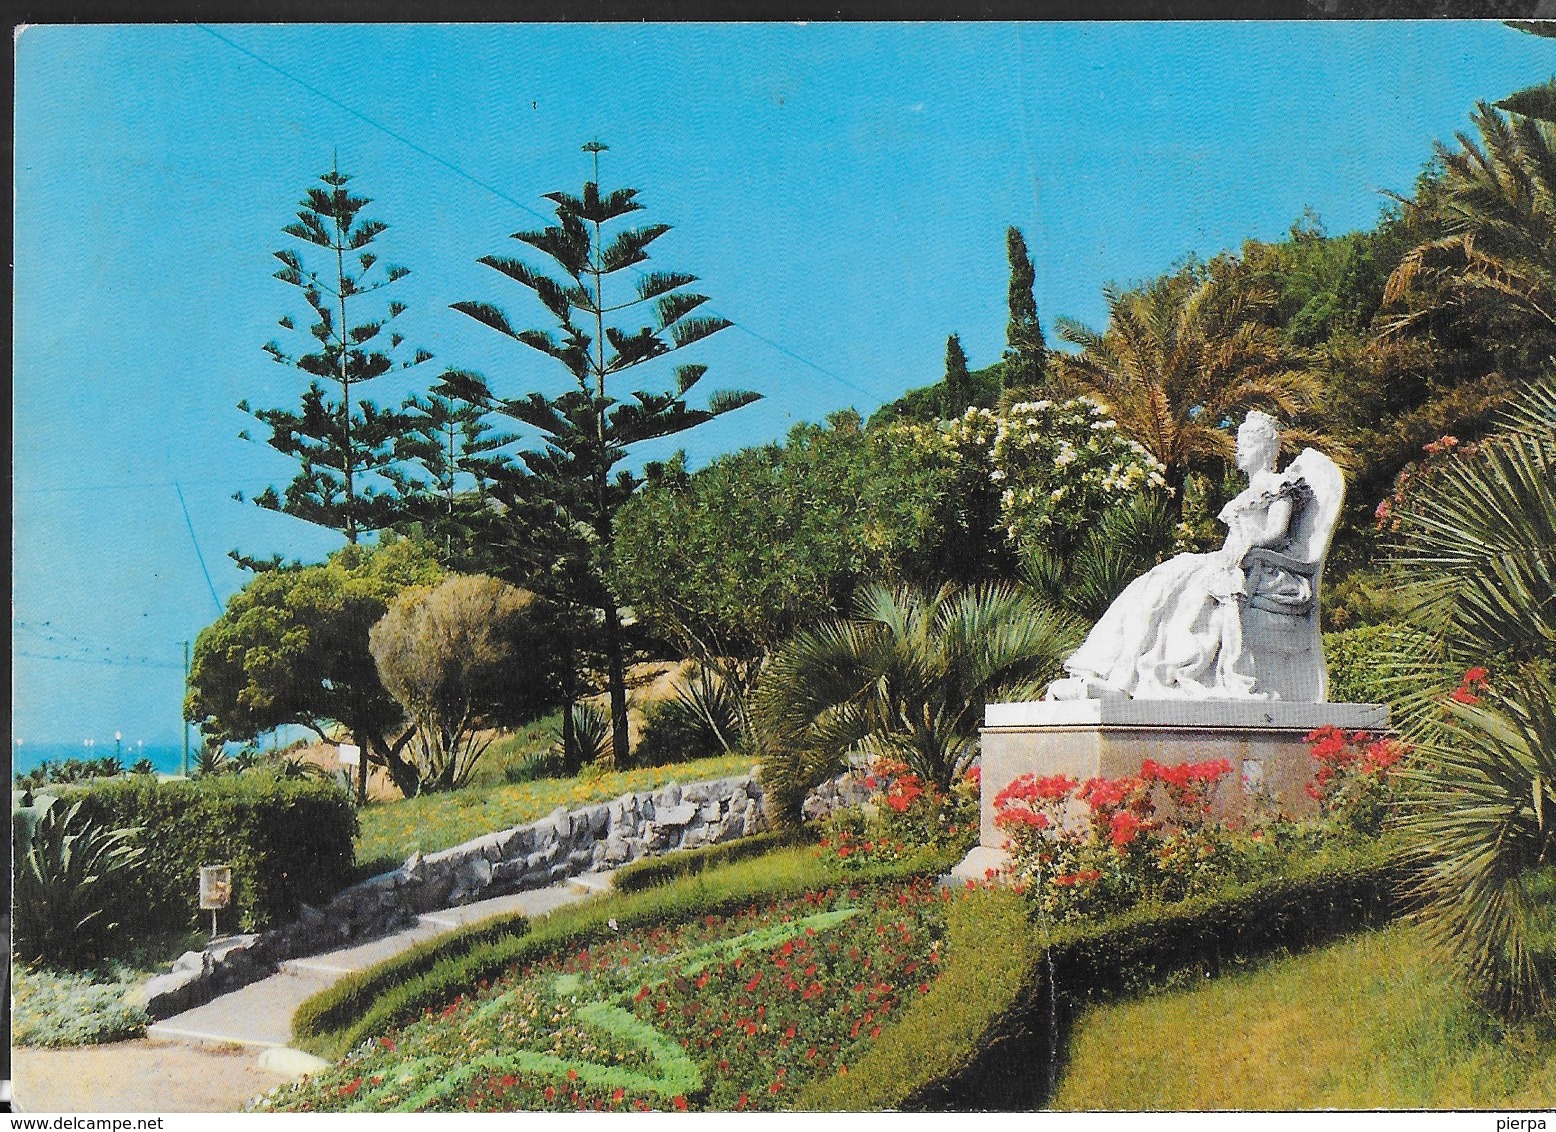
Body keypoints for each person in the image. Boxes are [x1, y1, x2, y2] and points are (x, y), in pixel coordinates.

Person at [1046, 410, 1312, 701]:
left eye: (1246, 442)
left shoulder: (1278, 486)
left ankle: (1136, 678)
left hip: (1258, 567)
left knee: (1188, 589)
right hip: (1231, 561)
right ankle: (1115, 672)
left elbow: (1277, 533)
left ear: (1265, 447)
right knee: (1155, 583)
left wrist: (1246, 545)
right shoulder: (1246, 494)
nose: (1239, 449)